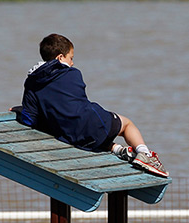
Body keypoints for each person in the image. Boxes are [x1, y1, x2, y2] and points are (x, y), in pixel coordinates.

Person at [12, 33, 169, 179]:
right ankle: (145, 155)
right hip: (90, 123)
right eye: (70, 58)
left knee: (88, 133)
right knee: (127, 124)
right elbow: (78, 102)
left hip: (68, 135)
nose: (72, 63)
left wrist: (21, 110)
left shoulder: (31, 82)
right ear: (60, 58)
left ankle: (118, 150)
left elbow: (29, 119)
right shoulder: (73, 73)